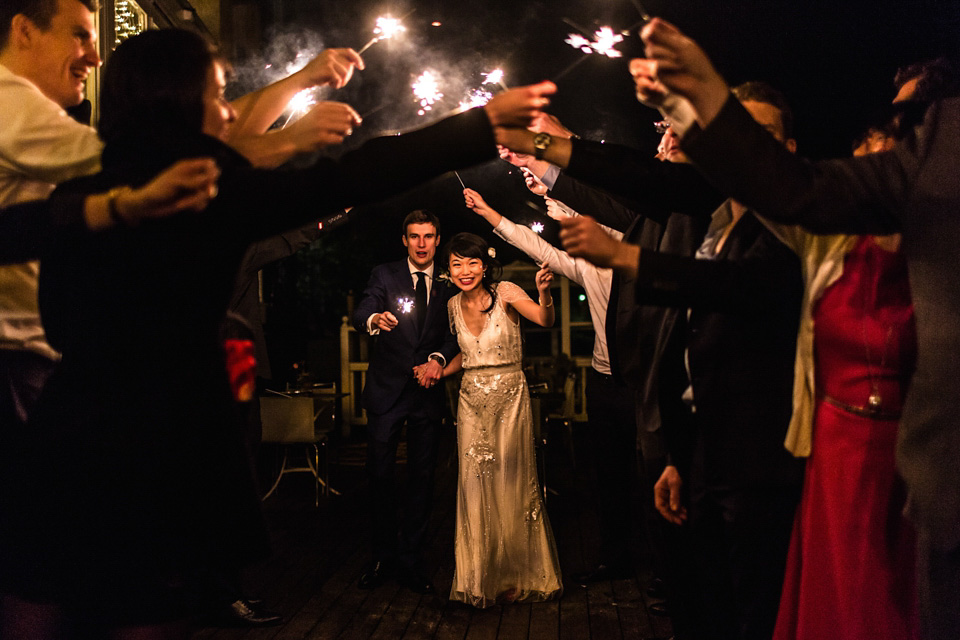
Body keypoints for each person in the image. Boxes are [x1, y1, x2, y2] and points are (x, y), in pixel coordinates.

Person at [0, 27, 556, 638]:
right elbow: (362, 172)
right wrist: (480, 125)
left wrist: (105, 209)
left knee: (38, 601)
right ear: (181, 102)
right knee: (148, 615)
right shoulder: (211, 189)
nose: (232, 108)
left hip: (70, 421)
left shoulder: (84, 184)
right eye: (218, 93)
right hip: (173, 431)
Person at [634, 17, 960, 640]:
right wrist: (694, 100)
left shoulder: (925, 230)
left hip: (909, 459)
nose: (894, 131)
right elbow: (792, 195)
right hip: (831, 450)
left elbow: (738, 283)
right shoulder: (831, 242)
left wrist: (632, 263)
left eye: (908, 118)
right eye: (889, 122)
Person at [558, 82, 807, 640]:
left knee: (757, 613)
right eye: (735, 133)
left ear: (790, 151)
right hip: (700, 451)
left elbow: (738, 287)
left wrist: (623, 256)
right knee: (701, 608)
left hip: (764, 461)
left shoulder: (793, 226)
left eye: (761, 135)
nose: (745, 146)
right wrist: (677, 453)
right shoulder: (722, 221)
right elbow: (691, 347)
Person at [438, 232, 562, 608]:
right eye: (457, 264)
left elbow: (544, 319)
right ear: (449, 270)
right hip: (471, 399)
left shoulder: (505, 291)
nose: (465, 271)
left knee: (512, 480)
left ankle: (517, 574)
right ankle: (479, 578)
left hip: (510, 397)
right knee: (474, 487)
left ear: (485, 265)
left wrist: (544, 293)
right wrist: (439, 370)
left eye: (472, 263)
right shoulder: (451, 305)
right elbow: (467, 353)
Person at [351, 210, 460, 595]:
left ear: (437, 239)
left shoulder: (450, 283)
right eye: (414, 236)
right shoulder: (384, 274)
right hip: (386, 393)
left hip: (426, 395)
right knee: (380, 478)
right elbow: (362, 309)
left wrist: (438, 360)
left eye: (429, 236)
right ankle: (383, 557)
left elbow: (454, 336)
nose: (422, 244)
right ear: (404, 240)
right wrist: (374, 318)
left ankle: (411, 560)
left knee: (423, 479)